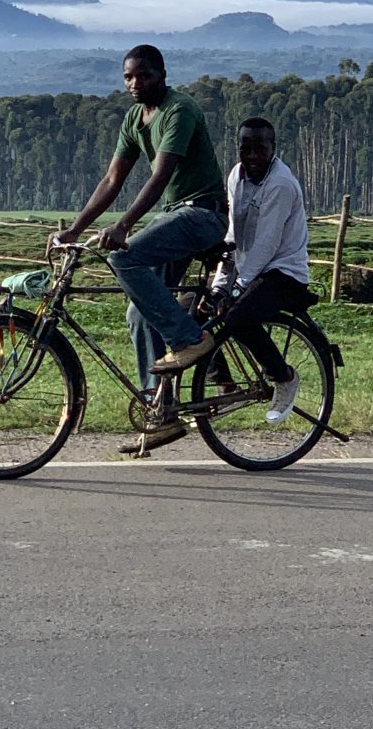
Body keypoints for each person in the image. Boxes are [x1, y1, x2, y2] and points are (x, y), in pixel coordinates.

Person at [48, 43, 227, 451]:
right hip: (175, 216)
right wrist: (74, 231)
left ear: (162, 75)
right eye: (128, 77)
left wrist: (124, 226)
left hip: (203, 214)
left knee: (123, 259)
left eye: (143, 75)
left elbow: (161, 175)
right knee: (138, 310)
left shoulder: (179, 109)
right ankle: (159, 415)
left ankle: (190, 340)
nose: (134, 83)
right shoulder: (134, 117)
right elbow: (112, 181)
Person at [210, 117, 310, 424]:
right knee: (192, 312)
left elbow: (266, 244)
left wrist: (236, 289)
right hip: (249, 268)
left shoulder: (280, 184)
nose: (252, 155)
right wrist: (219, 285)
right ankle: (224, 385)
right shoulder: (236, 176)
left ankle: (284, 376)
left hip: (284, 273)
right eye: (246, 148)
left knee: (237, 317)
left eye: (260, 149)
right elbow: (233, 234)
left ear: (273, 149)